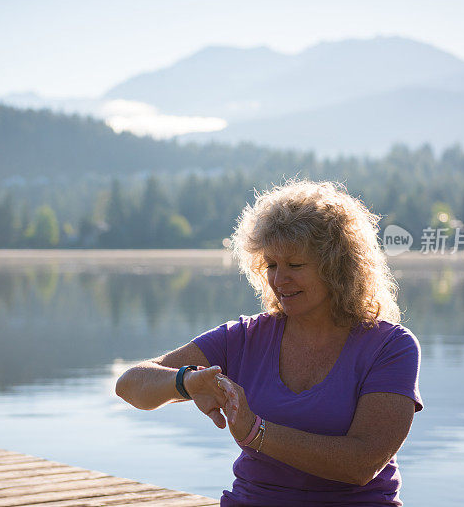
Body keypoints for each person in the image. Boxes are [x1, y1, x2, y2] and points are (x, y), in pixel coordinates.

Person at [115, 180, 423, 506]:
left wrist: (255, 432)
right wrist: (186, 381)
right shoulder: (246, 337)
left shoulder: (391, 347)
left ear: (338, 267)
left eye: (295, 265)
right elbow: (130, 384)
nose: (278, 279)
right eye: (272, 265)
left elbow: (362, 464)